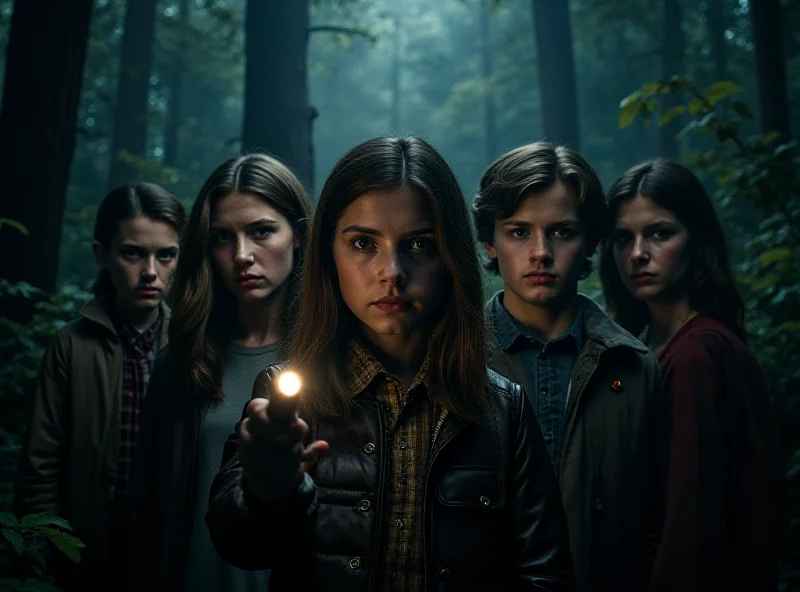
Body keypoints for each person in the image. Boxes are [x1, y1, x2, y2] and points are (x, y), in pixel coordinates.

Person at [205, 136, 574, 591]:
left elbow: (545, 574)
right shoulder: (285, 395)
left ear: (451, 257)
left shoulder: (503, 409)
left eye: (419, 244)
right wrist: (270, 490)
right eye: (363, 243)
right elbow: (238, 543)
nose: (392, 271)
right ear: (328, 255)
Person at [473, 142, 665, 592]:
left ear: (590, 242)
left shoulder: (635, 368)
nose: (541, 252)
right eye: (519, 232)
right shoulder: (452, 361)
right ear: (490, 241)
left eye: (561, 232)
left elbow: (657, 521)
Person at [127, 153, 312, 591]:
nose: (242, 255)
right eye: (222, 238)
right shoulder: (182, 363)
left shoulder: (334, 360)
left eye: (262, 231)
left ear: (300, 235)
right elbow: (143, 507)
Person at [600, 159, 783, 591]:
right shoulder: (650, 352)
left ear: (696, 238)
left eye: (660, 233)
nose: (638, 254)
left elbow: (690, 524)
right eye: (623, 238)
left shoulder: (697, 354)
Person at [14, 183, 186, 590]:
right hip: (84, 562)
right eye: (133, 253)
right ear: (102, 255)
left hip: (166, 563)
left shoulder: (191, 347)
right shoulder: (70, 347)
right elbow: (40, 468)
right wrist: (43, 561)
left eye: (166, 255)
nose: (150, 272)